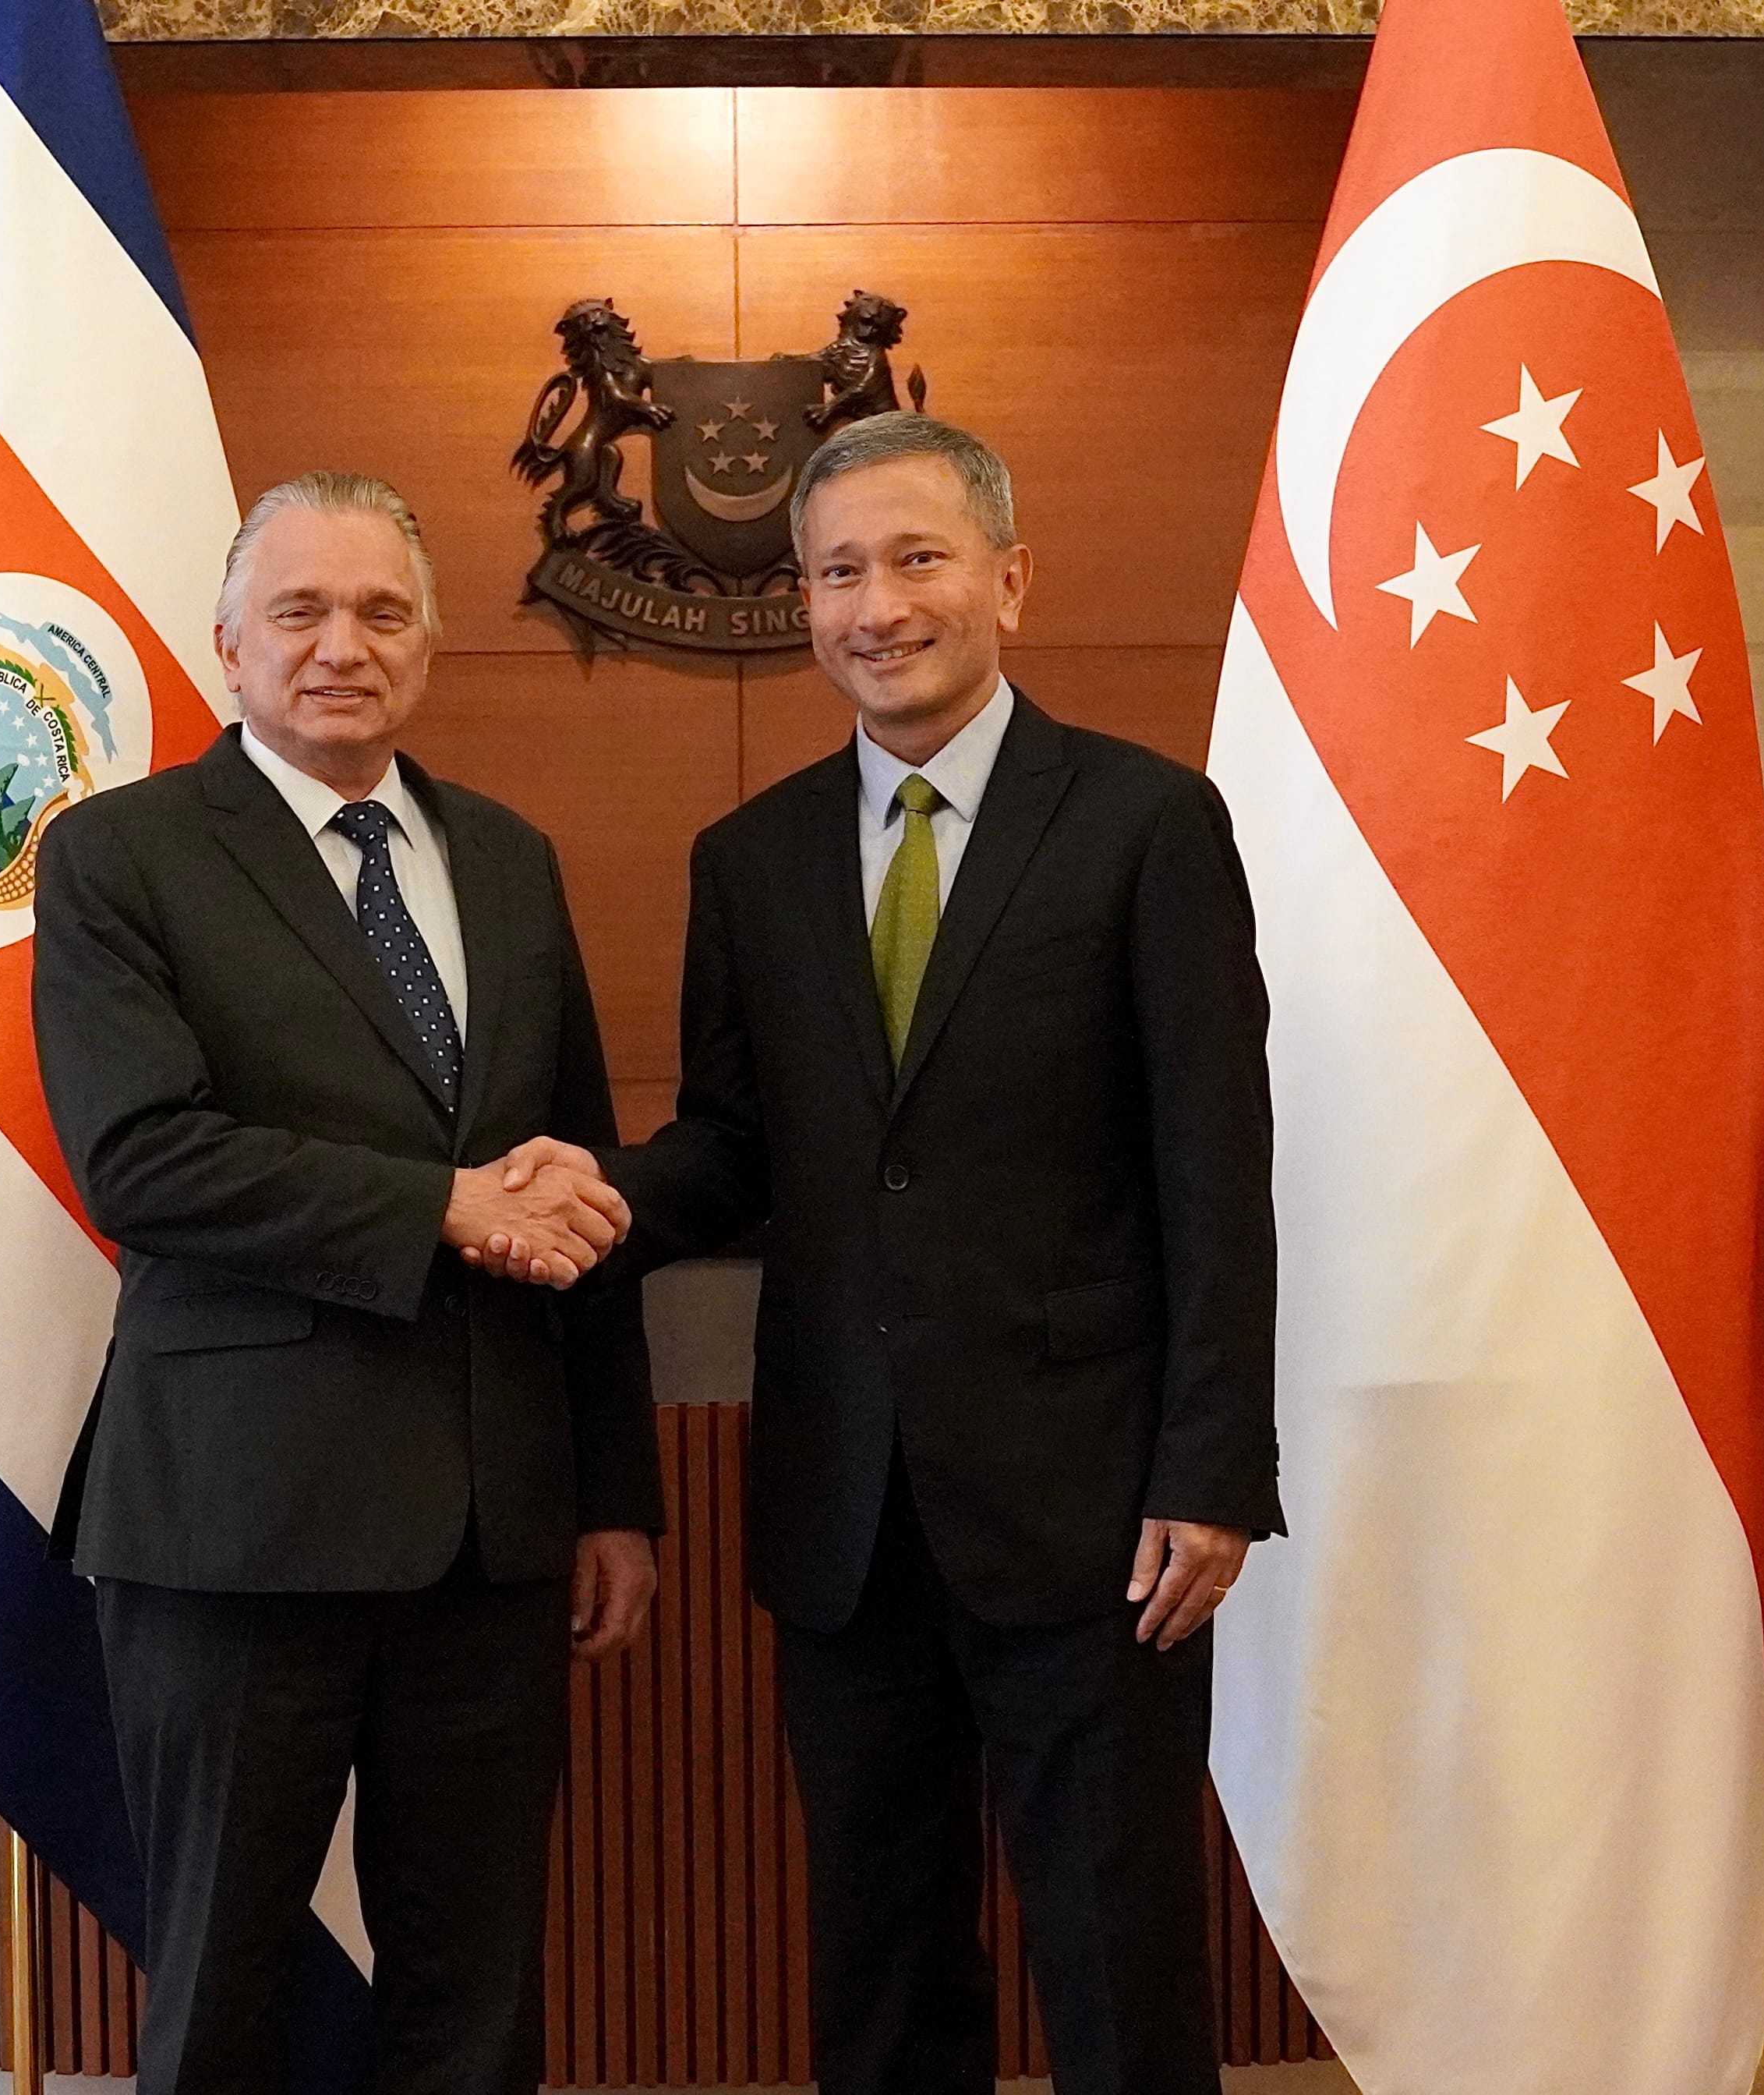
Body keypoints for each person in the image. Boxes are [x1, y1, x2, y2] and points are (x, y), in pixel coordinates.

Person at [482, 413, 1280, 2095]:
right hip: (843, 1512)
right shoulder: (751, 859)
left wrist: (1212, 1468)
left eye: (914, 560)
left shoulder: (1145, 827)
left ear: (1008, 576)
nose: (875, 606)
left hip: (1095, 1515)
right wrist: (591, 1195)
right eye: (836, 571)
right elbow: (735, 1153)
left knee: (1116, 1954)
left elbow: (1215, 1170)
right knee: (878, 1955)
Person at [32, 470, 663, 2095]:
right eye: (299, 612)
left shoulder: (506, 861)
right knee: (221, 1988)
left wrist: (611, 1494)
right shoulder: (121, 858)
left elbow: (574, 1187)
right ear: (228, 646)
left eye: (381, 612)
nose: (340, 646)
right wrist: (443, 1209)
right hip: (238, 1527)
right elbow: (143, 1162)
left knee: (475, 1996)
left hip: (492, 1525)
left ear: (431, 646)